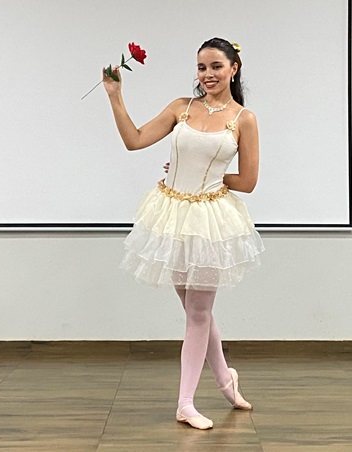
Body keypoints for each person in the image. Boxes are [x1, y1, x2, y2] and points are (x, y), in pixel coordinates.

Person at [103, 37, 264, 430]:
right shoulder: (181, 107)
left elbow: (248, 181)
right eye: (202, 67)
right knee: (196, 311)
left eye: (216, 67)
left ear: (233, 69)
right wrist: (115, 96)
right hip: (172, 216)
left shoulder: (244, 119)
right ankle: (226, 379)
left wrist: (212, 177)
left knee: (198, 312)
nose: (207, 74)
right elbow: (134, 140)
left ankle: (185, 404)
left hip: (209, 222)